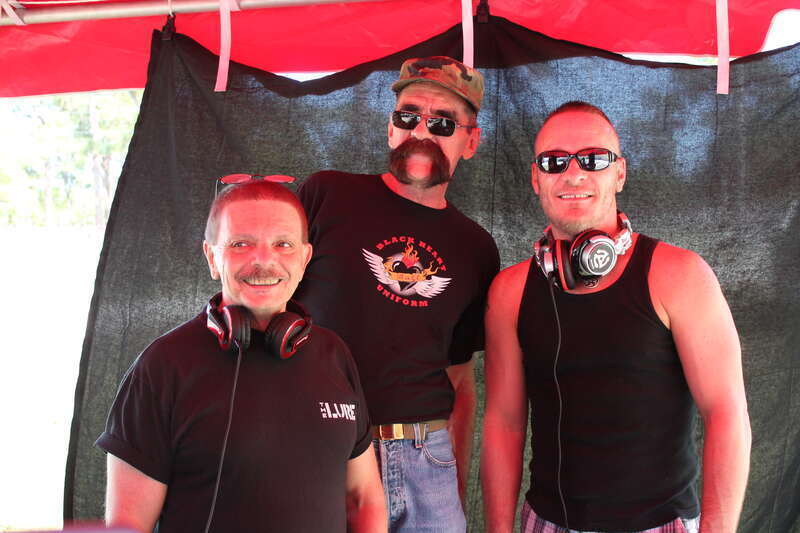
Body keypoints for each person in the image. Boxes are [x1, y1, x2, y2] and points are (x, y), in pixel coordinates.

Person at [481, 102, 751, 533]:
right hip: (546, 523)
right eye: (554, 162)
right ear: (536, 178)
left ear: (619, 173)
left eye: (593, 159)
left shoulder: (679, 275)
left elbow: (727, 413)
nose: (573, 174)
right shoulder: (510, 292)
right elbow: (504, 423)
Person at [96, 179, 386, 533]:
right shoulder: (161, 368)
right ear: (212, 257)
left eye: (283, 244)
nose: (264, 261)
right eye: (240, 243)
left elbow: (364, 498)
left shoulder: (335, 354)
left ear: (305, 257)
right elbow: (127, 526)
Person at [294, 57, 500, 532]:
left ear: (472, 141)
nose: (421, 131)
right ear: (390, 129)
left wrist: (454, 482)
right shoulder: (326, 195)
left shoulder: (477, 248)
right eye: (408, 116)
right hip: (319, 449)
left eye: (443, 121)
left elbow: (460, 378)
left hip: (425, 461)